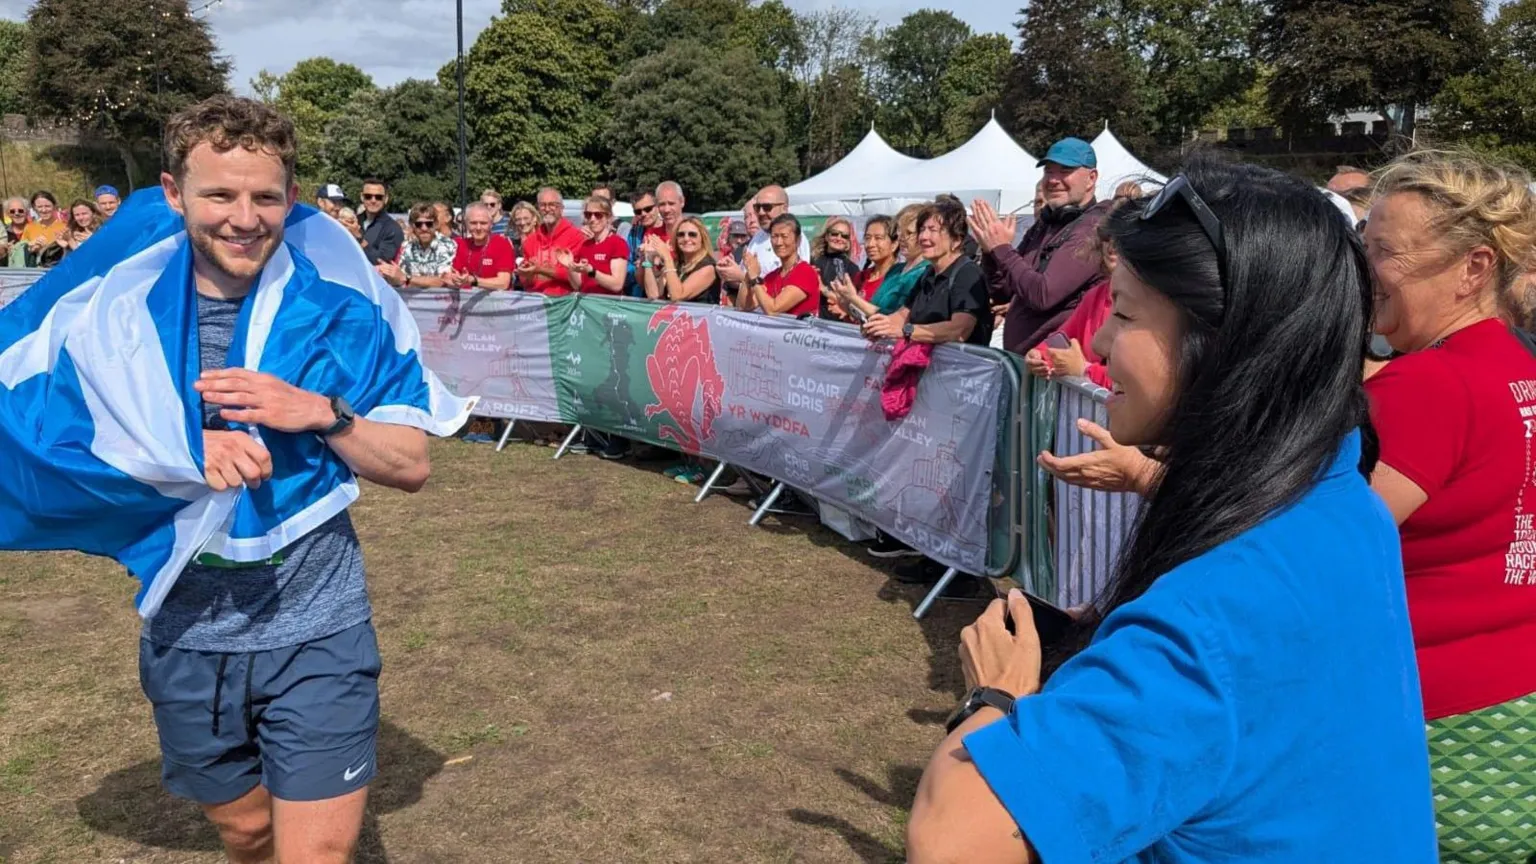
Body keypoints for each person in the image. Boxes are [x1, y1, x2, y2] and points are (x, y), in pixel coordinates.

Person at [906, 157, 1436, 863]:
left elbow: (951, 843)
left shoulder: (1209, 618)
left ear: (1224, 344)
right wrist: (1156, 477)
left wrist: (995, 700)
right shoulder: (1336, 490)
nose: (1096, 342)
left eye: (1123, 312)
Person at [141, 95, 446, 864]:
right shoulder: (121, 318)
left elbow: (411, 466)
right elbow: (52, 452)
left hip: (320, 628)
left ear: (292, 198)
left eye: (265, 197)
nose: (244, 218)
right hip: (187, 633)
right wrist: (176, 449)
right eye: (219, 194)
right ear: (174, 193)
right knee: (248, 835)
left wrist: (320, 412)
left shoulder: (341, 313)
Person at [1361, 151, 1536, 859]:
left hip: (1438, 722)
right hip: (1516, 706)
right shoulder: (1519, 366)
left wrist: (1156, 481)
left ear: (1474, 268)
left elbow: (1324, 541)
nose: (1363, 267)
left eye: (1383, 251)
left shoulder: (1429, 386)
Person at [972, 137, 1110, 355]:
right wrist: (991, 252)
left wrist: (1002, 249)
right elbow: (1004, 293)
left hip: (1057, 372)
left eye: (1065, 171)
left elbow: (1043, 294)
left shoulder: (1092, 229)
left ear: (1091, 178)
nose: (1053, 180)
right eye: (1048, 171)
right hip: (1026, 367)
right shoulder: (1045, 224)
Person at [862, 198, 991, 347]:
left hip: (961, 368)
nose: (923, 237)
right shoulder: (928, 273)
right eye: (922, 229)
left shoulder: (967, 273)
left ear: (956, 240)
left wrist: (908, 330)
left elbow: (959, 330)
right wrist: (880, 326)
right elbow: (903, 314)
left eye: (933, 230)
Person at [1024, 216, 1119, 388]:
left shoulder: (1154, 302)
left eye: (1121, 239)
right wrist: (1039, 356)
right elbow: (1063, 337)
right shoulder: (1096, 294)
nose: (1111, 247)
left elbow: (1142, 382)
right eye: (1107, 238)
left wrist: (1085, 370)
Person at [716, 184, 809, 289]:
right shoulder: (759, 236)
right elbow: (745, 284)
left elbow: (789, 288)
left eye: (767, 207)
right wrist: (729, 272)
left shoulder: (793, 239)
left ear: (784, 208)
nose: (760, 212)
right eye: (757, 207)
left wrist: (741, 277)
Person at [735, 214, 817, 318]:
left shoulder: (805, 272)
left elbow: (773, 310)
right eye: (774, 236)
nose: (778, 242)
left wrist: (755, 278)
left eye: (784, 236)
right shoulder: (772, 276)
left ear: (798, 240)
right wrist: (748, 275)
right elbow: (743, 307)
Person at [829, 216, 897, 320]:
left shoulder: (899, 278)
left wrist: (852, 298)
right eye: (867, 238)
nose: (870, 244)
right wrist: (844, 304)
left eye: (878, 238)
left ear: (894, 244)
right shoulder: (861, 277)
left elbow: (890, 320)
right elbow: (859, 318)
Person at [517, 186, 583, 295]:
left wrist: (540, 270)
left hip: (563, 302)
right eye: (543, 205)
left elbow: (575, 276)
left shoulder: (575, 236)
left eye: (552, 204)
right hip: (535, 301)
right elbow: (526, 282)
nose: (547, 209)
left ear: (561, 208)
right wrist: (525, 274)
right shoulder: (531, 240)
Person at [641, 215, 719, 305]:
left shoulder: (708, 267)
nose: (686, 239)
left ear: (702, 238)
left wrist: (667, 257)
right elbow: (654, 295)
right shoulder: (676, 264)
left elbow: (677, 296)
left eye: (692, 234)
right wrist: (648, 259)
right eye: (681, 234)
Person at [558, 196, 628, 296]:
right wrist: (569, 266)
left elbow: (617, 285)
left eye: (598, 215)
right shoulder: (585, 245)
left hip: (608, 305)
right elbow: (577, 285)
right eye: (588, 215)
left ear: (608, 217)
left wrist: (592, 272)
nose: (592, 219)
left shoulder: (617, 243)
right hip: (587, 304)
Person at [377, 202, 458, 288]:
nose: (424, 228)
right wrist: (388, 273)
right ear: (412, 226)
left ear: (436, 224)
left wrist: (407, 278)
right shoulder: (406, 247)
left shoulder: (448, 245)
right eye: (419, 224)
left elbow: (442, 281)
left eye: (429, 224)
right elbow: (399, 280)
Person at [446, 202, 515, 291]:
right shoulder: (458, 244)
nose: (478, 228)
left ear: (491, 224)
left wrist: (474, 281)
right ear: (466, 224)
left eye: (483, 223)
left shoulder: (502, 244)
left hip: (496, 302)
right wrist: (456, 280)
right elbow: (447, 277)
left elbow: (503, 283)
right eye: (473, 223)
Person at [810, 216, 858, 319]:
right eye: (834, 234)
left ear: (848, 241)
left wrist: (823, 289)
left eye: (844, 236)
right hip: (809, 320)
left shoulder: (852, 268)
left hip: (834, 325)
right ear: (827, 236)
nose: (839, 238)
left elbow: (855, 303)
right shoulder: (812, 260)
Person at [624, 190, 663, 297]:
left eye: (648, 209)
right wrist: (637, 268)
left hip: (664, 294)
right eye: (638, 211)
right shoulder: (634, 233)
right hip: (639, 295)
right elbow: (628, 262)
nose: (643, 214)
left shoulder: (668, 229)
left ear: (657, 207)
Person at [357, 178, 403, 265]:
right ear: (362, 197)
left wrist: (359, 239)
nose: (373, 200)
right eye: (368, 196)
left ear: (385, 199)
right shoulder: (354, 221)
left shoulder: (393, 229)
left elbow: (382, 261)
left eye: (378, 197)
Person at [21, 190, 67, 264]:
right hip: (36, 271)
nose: (44, 210)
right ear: (34, 208)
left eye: (47, 206)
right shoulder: (29, 227)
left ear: (55, 206)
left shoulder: (65, 227)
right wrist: (31, 247)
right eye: (39, 207)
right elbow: (21, 250)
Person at [0, 196, 29, 267]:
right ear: (7, 214)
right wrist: (4, 251)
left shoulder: (36, 229)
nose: (17, 213)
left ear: (27, 212)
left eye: (21, 210)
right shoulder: (3, 234)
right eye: (12, 211)